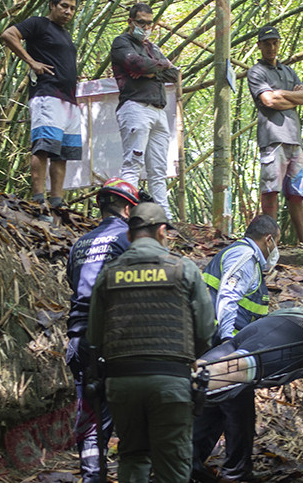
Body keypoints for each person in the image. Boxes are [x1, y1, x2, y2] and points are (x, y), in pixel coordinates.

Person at [87, 202, 215, 482]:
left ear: (130, 236)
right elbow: (206, 330)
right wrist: (190, 356)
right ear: (161, 231)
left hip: (122, 385)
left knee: (133, 456)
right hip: (171, 382)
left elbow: (94, 337)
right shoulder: (184, 269)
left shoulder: (109, 273)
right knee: (173, 463)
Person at [192, 214, 280, 481]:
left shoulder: (240, 255)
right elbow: (228, 298)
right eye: (277, 243)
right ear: (268, 239)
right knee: (239, 411)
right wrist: (228, 342)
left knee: (213, 406)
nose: (276, 250)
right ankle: (236, 473)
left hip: (213, 343)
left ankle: (189, 464)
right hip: (225, 345)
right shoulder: (244, 257)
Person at [66, 177, 139, 482]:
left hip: (79, 340)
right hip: (116, 340)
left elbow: (74, 285)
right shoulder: (129, 239)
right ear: (127, 208)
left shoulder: (79, 244)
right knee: (134, 417)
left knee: (91, 418)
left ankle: (91, 477)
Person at [1, 0, 81, 209]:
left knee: (63, 153)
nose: (68, 12)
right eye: (64, 6)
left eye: (72, 8)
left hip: (69, 100)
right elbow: (8, 34)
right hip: (47, 95)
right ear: (52, 5)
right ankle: (38, 199)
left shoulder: (65, 34)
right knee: (44, 146)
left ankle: (57, 202)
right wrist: (31, 62)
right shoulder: (39, 23)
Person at [110, 3, 180, 221]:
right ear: (130, 22)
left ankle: (163, 221)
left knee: (158, 171)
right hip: (135, 107)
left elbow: (174, 75)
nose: (146, 27)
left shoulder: (152, 47)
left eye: (149, 23)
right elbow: (138, 65)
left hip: (158, 110)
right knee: (133, 164)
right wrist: (159, 66)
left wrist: (152, 69)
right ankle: (125, 219)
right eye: (141, 22)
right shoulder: (121, 42)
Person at [247, 25, 303, 244]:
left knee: (297, 193)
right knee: (271, 190)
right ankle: (269, 242)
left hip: (294, 138)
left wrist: (280, 94)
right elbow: (268, 101)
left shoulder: (288, 71)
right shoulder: (256, 72)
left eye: (275, 42)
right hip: (272, 138)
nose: (271, 47)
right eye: (267, 43)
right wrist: (289, 98)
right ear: (259, 46)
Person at [197, 307, 303, 404]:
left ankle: (179, 385)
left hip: (262, 328)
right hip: (291, 336)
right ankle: (178, 388)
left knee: (199, 369)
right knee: (230, 370)